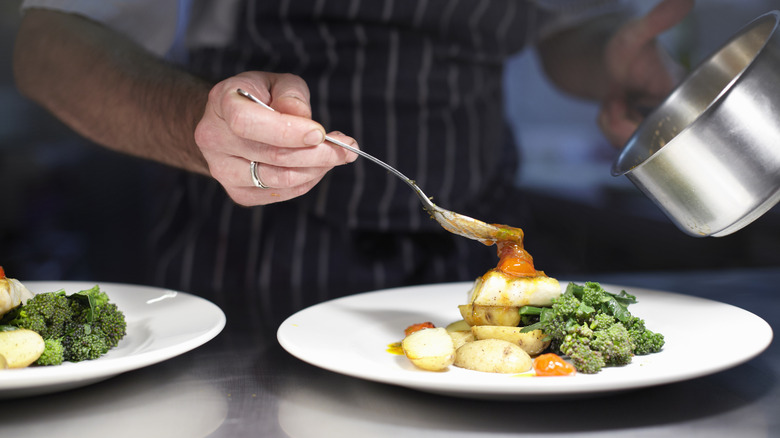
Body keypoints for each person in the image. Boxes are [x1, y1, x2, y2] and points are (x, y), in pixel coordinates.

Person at [13, 0, 693, 327]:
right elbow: (46, 39)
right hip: (253, 248)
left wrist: (607, 57)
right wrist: (197, 124)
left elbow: (564, 26)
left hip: (476, 236)